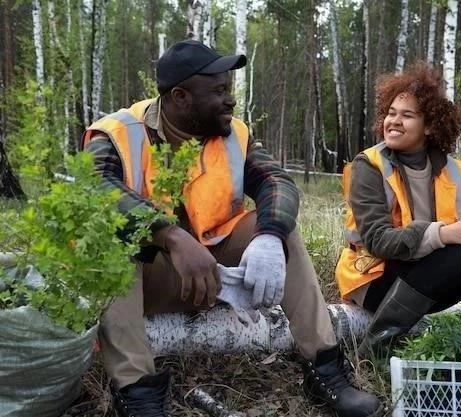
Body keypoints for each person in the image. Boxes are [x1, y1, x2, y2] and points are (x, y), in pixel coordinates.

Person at [81, 40, 383, 417]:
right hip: (148, 284)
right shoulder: (117, 133)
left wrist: (269, 237)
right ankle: (137, 392)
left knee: (278, 226)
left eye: (230, 89)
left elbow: (277, 181)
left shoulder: (232, 133)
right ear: (180, 97)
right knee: (112, 240)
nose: (230, 101)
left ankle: (326, 368)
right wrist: (170, 235)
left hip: (215, 277)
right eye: (219, 91)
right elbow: (96, 188)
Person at [335, 61, 461, 358]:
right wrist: (444, 234)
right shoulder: (369, 166)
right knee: (458, 249)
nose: (394, 121)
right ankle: (377, 347)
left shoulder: (453, 170)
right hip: (375, 278)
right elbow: (379, 241)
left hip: (429, 279)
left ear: (430, 125)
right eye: (391, 113)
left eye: (407, 115)